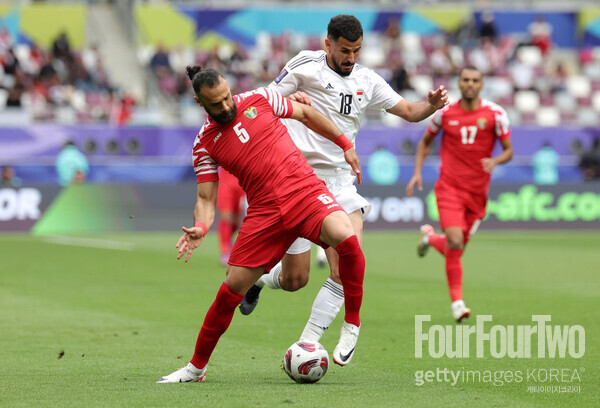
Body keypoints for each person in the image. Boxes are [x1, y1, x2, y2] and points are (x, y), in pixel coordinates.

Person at [239, 15, 448, 346]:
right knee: (295, 280)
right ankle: (262, 280)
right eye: (345, 50)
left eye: (357, 51)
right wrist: (293, 102)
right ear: (328, 44)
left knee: (346, 265)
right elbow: (265, 100)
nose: (351, 58)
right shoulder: (305, 65)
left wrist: (431, 106)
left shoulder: (368, 79)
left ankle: (309, 343)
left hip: (339, 182)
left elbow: (408, 110)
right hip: (298, 179)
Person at [157, 65, 366, 383]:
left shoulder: (261, 97)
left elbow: (306, 115)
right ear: (200, 103)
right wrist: (201, 226)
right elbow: (206, 197)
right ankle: (195, 368)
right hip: (265, 213)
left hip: (304, 191)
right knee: (233, 290)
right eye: (216, 104)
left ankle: (352, 322)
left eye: (227, 97)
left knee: (347, 239)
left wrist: (345, 145)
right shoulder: (204, 144)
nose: (226, 106)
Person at [406, 66, 513, 322]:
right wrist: (417, 172)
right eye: (465, 79)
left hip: (477, 194)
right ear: (459, 82)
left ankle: (430, 238)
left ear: (482, 84)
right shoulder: (445, 113)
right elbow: (424, 143)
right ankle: (457, 303)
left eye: (475, 80)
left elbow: (509, 150)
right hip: (450, 189)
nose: (470, 84)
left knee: (457, 246)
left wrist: (496, 161)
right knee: (455, 241)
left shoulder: (496, 114)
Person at [216, 167, 245, 265]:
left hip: (242, 183)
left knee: (236, 221)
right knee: (226, 216)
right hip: (226, 183)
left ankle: (233, 246)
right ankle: (225, 251)